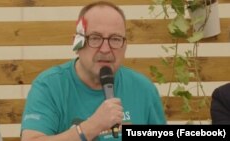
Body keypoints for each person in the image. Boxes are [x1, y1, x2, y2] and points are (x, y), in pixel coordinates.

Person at [21, 1, 166, 141]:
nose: (105, 49)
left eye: (115, 39)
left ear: (125, 46)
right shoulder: (49, 86)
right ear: (78, 44)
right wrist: (92, 127)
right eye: (95, 38)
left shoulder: (143, 89)